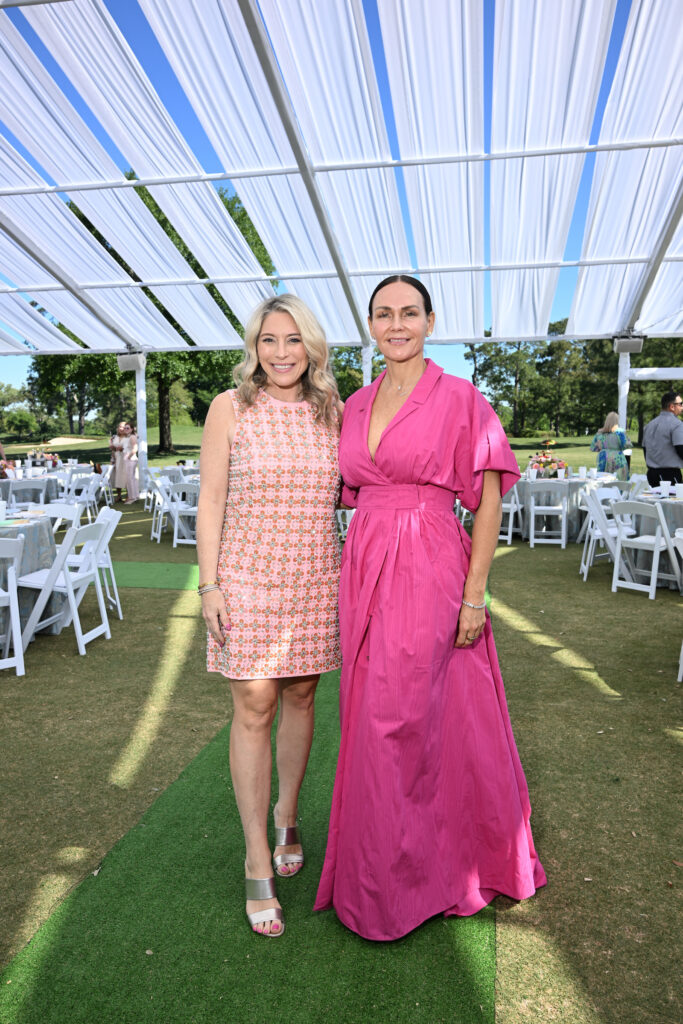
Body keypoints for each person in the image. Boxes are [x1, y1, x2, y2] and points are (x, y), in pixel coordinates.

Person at [314, 275, 546, 941]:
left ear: (429, 320)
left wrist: (475, 594)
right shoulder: (354, 403)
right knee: (369, 714)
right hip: (364, 565)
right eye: (383, 315)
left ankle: (425, 875)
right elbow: (346, 487)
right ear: (370, 324)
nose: (395, 325)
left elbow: (489, 498)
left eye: (408, 313)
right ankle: (379, 869)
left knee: (406, 717)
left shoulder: (460, 397)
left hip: (429, 561)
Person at [197, 294, 343, 938]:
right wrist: (209, 586)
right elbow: (209, 501)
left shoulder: (335, 411)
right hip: (247, 578)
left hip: (316, 577)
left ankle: (288, 815)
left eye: (292, 340)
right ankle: (258, 854)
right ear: (253, 348)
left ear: (311, 347)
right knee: (255, 704)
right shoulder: (229, 409)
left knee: (303, 697)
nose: (281, 353)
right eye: (268, 340)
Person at [642, 391, 683, 487]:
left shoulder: (649, 424)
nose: (682, 407)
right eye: (680, 404)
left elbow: (645, 449)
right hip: (670, 475)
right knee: (673, 502)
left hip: (651, 474)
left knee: (654, 502)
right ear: (672, 406)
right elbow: (681, 449)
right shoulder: (677, 424)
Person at [590, 411, 631, 480]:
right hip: (618, 459)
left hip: (603, 459)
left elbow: (593, 448)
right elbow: (627, 445)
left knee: (602, 480)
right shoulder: (620, 433)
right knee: (619, 481)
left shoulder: (599, 433)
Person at [109, 422, 127, 502]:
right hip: (116, 458)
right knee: (117, 477)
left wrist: (122, 449)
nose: (121, 428)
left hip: (125, 459)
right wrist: (112, 448)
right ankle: (119, 495)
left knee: (126, 477)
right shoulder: (114, 437)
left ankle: (129, 495)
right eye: (120, 426)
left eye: (123, 427)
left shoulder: (129, 437)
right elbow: (113, 450)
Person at [123, 422, 139, 503]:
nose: (125, 429)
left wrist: (128, 457)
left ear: (132, 429)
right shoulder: (128, 437)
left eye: (127, 428)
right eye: (125, 428)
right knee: (132, 478)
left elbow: (135, 448)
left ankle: (132, 497)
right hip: (130, 460)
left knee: (130, 479)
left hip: (131, 460)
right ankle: (134, 496)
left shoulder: (132, 437)